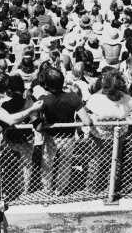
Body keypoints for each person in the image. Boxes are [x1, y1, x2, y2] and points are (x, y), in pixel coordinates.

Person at [36, 66, 92, 195]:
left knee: (47, 162)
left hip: (50, 137)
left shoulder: (43, 99)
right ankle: (60, 189)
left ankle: (47, 189)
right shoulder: (73, 97)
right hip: (68, 137)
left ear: (47, 84)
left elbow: (37, 119)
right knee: (65, 163)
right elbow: (87, 121)